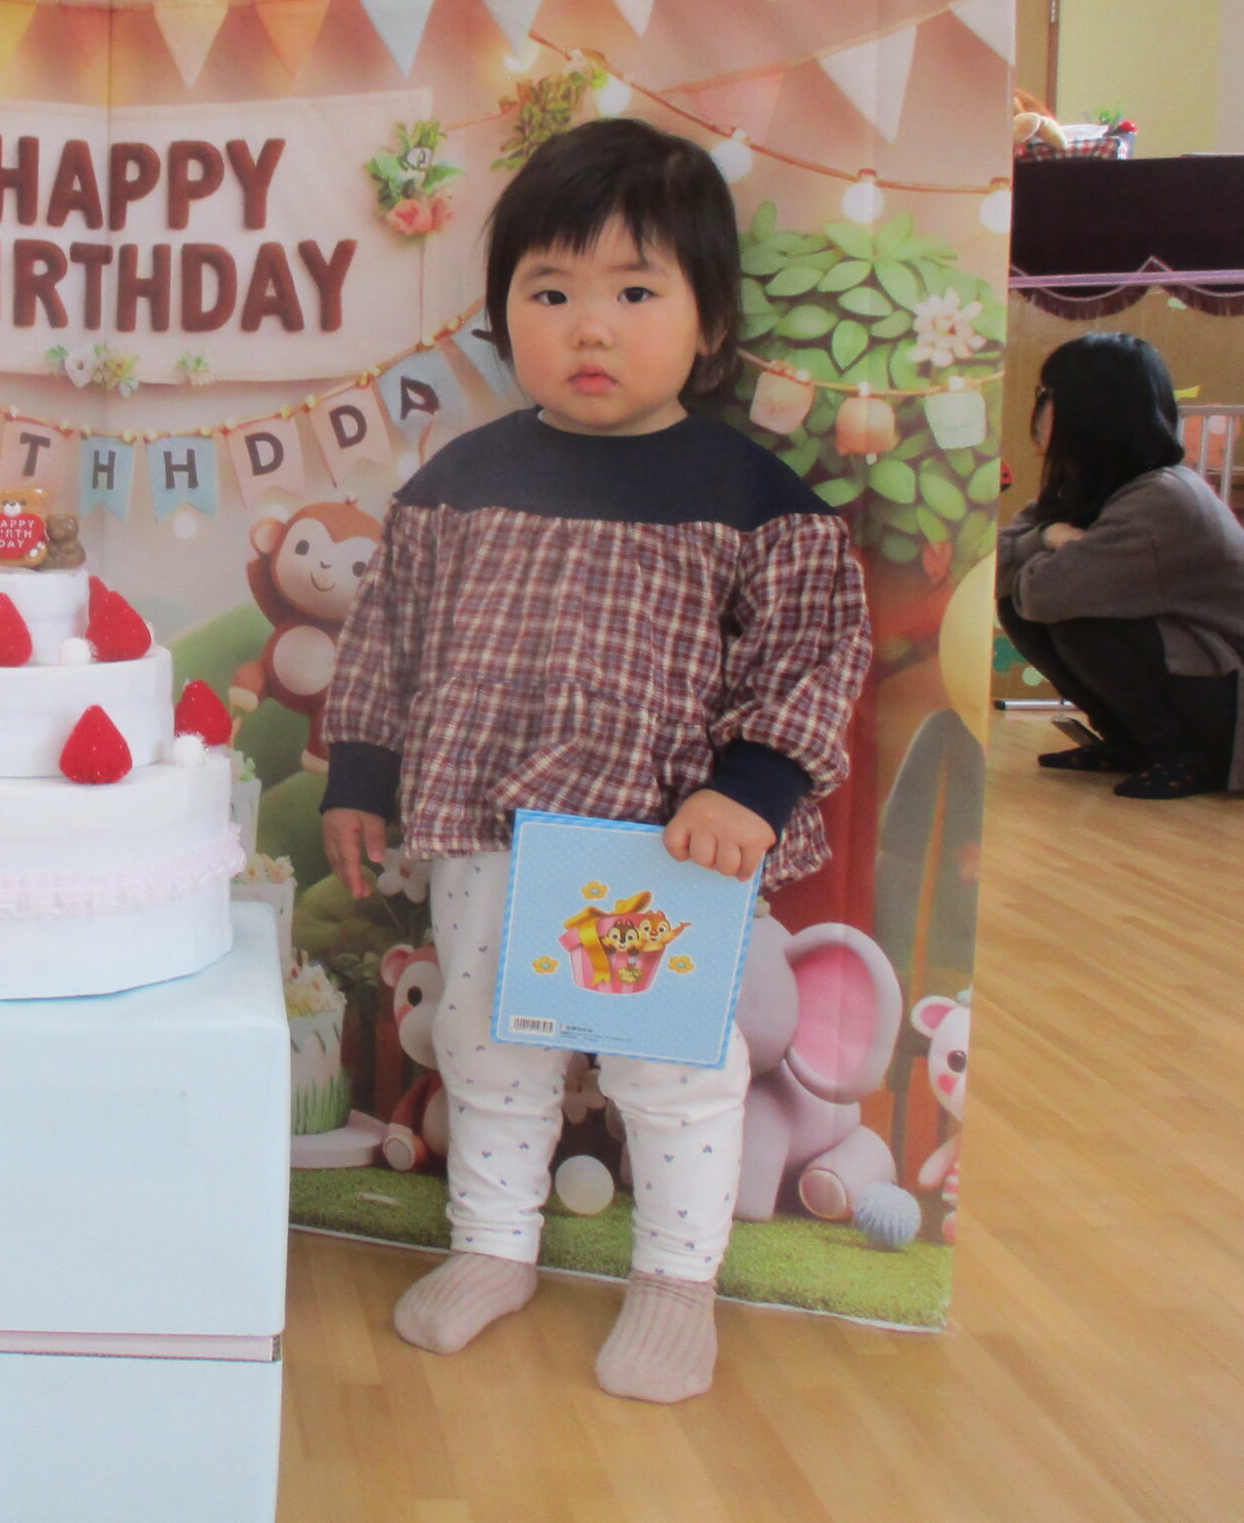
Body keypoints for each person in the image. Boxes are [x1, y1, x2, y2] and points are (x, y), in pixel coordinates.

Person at [317, 118, 872, 1404]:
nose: (590, 328)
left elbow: (810, 651)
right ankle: (490, 1246)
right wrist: (359, 775)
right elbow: (388, 635)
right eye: (550, 293)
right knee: (485, 1047)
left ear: (708, 322)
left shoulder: (751, 497)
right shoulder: (458, 482)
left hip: (660, 842)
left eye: (634, 293)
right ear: (503, 311)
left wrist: (753, 786)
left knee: (668, 1070)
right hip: (486, 831)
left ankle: (677, 1283)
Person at [997, 333, 1244, 799]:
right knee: (1021, 606)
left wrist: (1036, 553)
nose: (1040, 410)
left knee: (1077, 618)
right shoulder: (1092, 485)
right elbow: (994, 572)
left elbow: (1045, 594)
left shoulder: (1162, 498)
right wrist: (1046, 537)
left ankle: (1189, 755)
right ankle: (1133, 744)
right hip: (1212, 679)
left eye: (1049, 396)